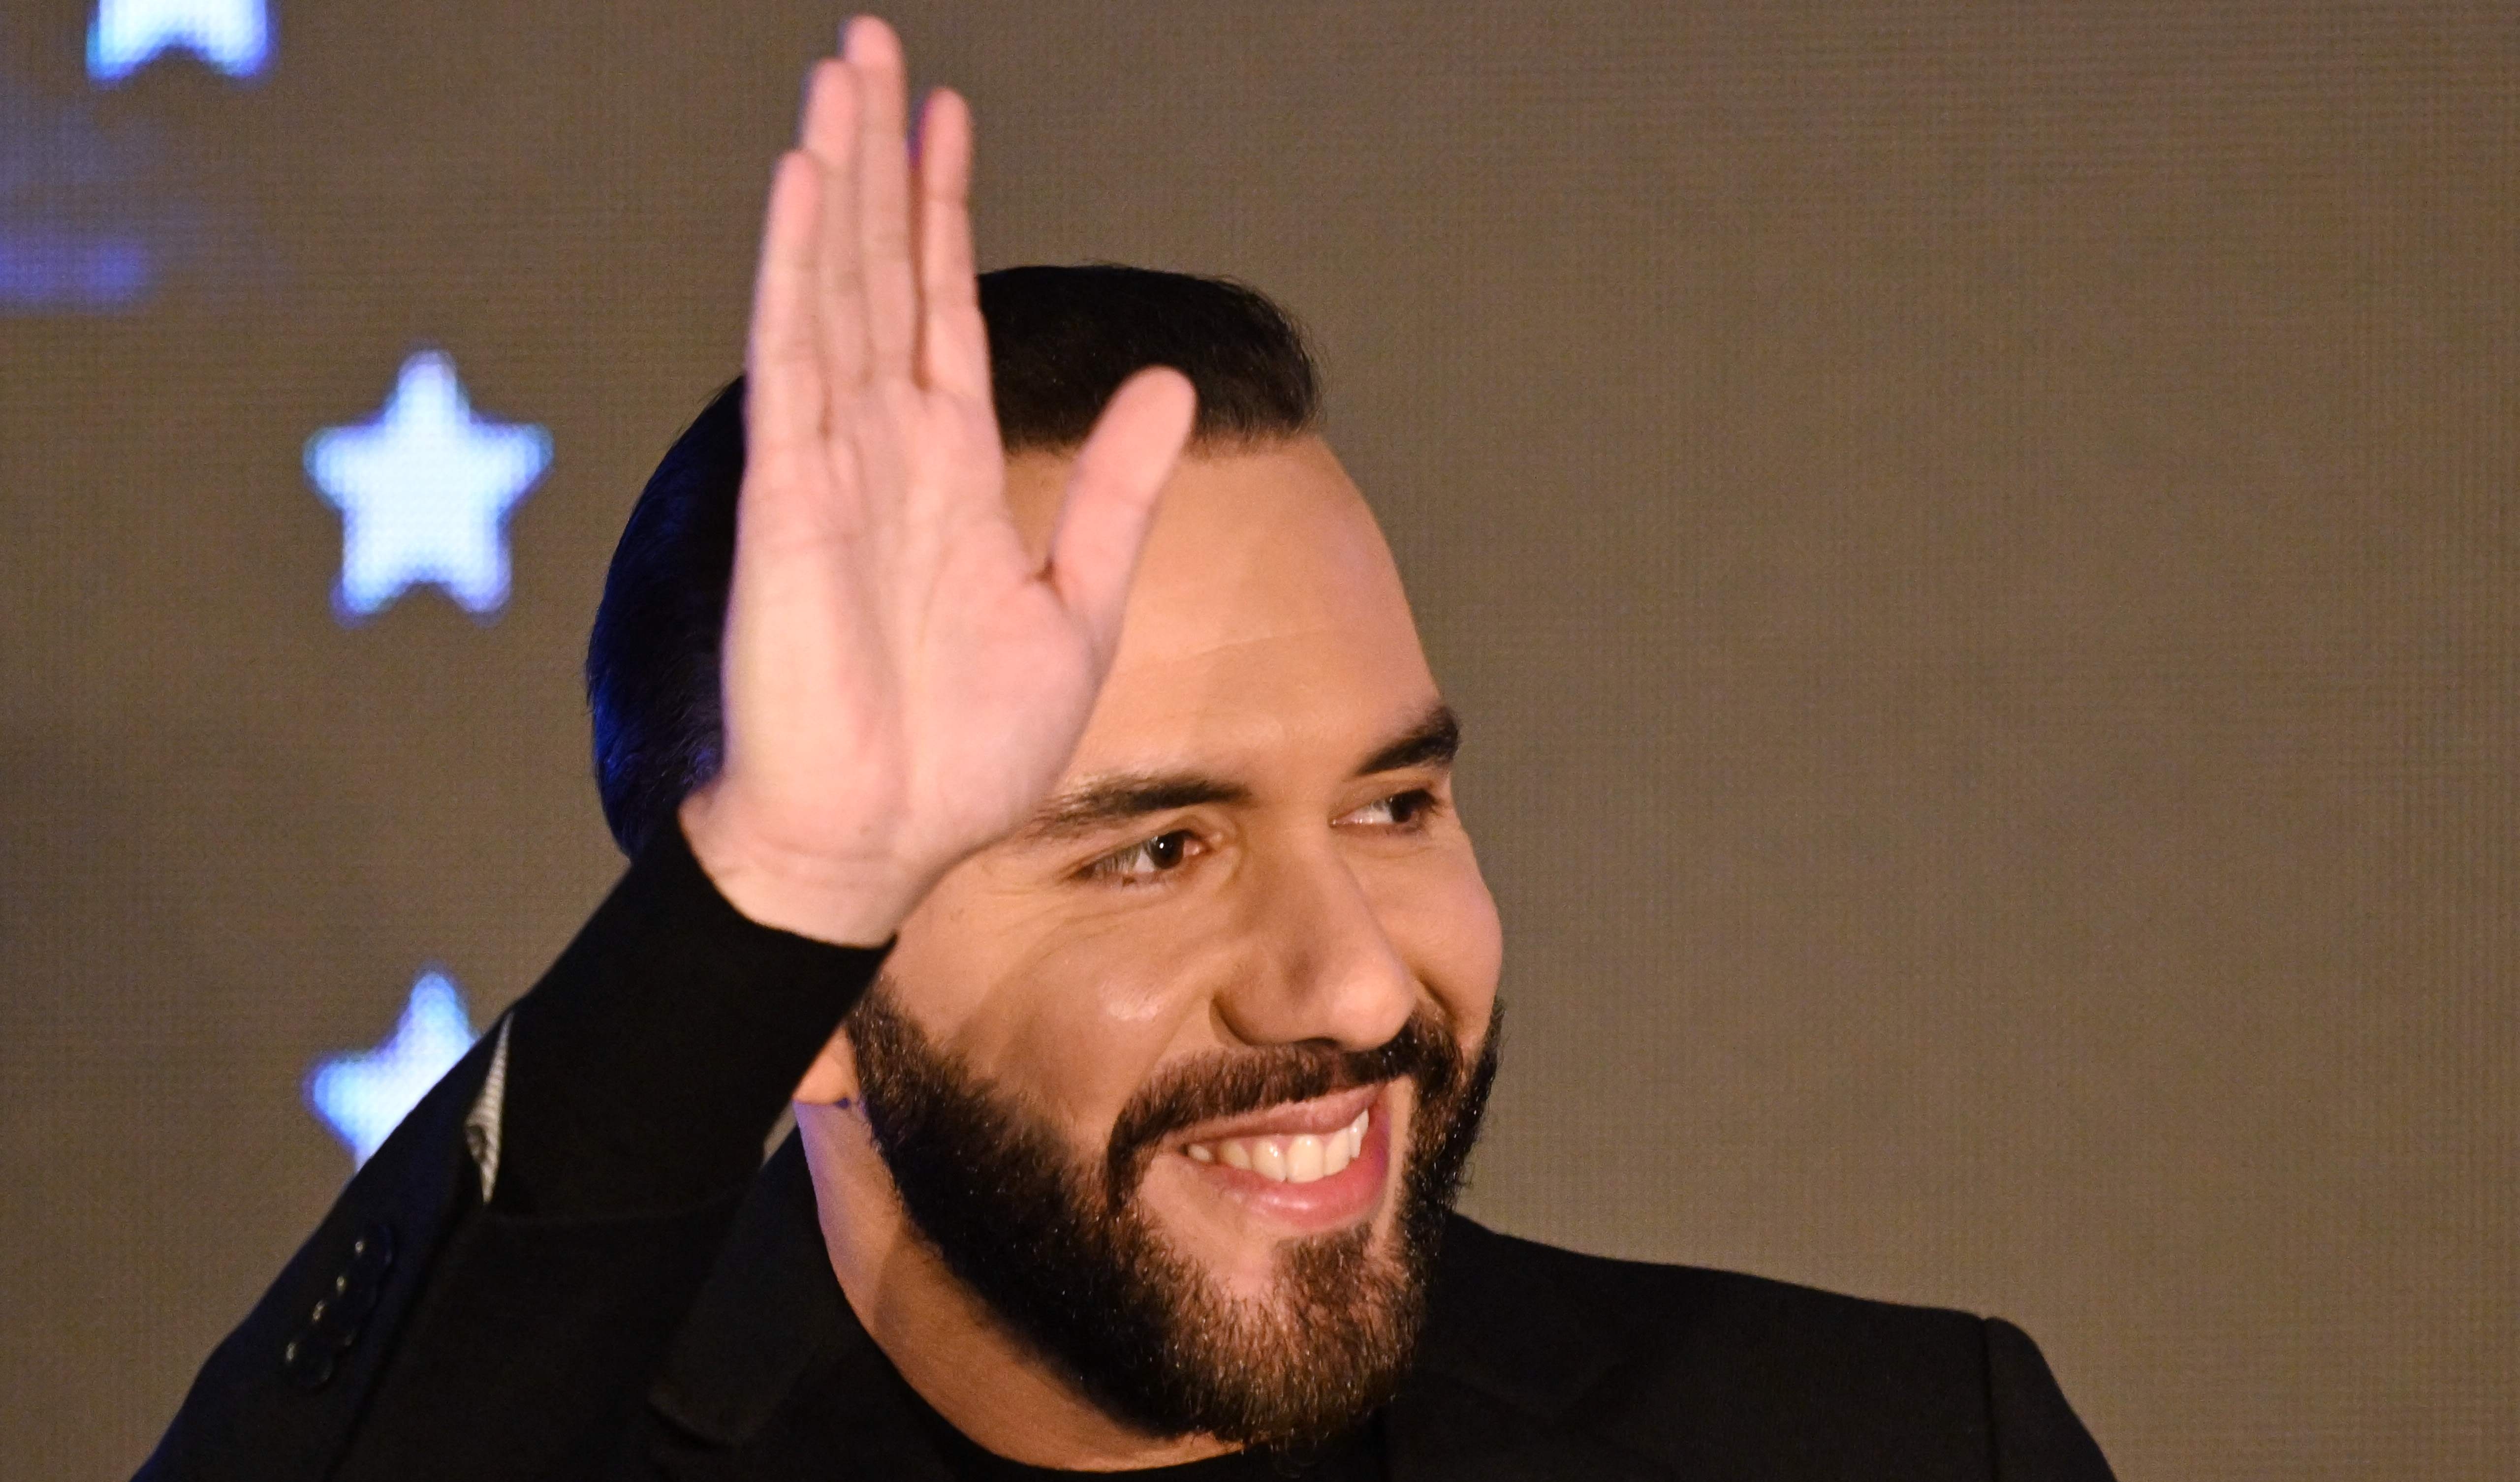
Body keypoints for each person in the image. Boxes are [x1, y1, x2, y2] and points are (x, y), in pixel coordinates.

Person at [138, 20, 2115, 1481]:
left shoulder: (1884, 1445)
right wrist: (770, 908)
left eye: (1395, 801)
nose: (1349, 979)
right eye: (1155, 848)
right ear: (804, 998)